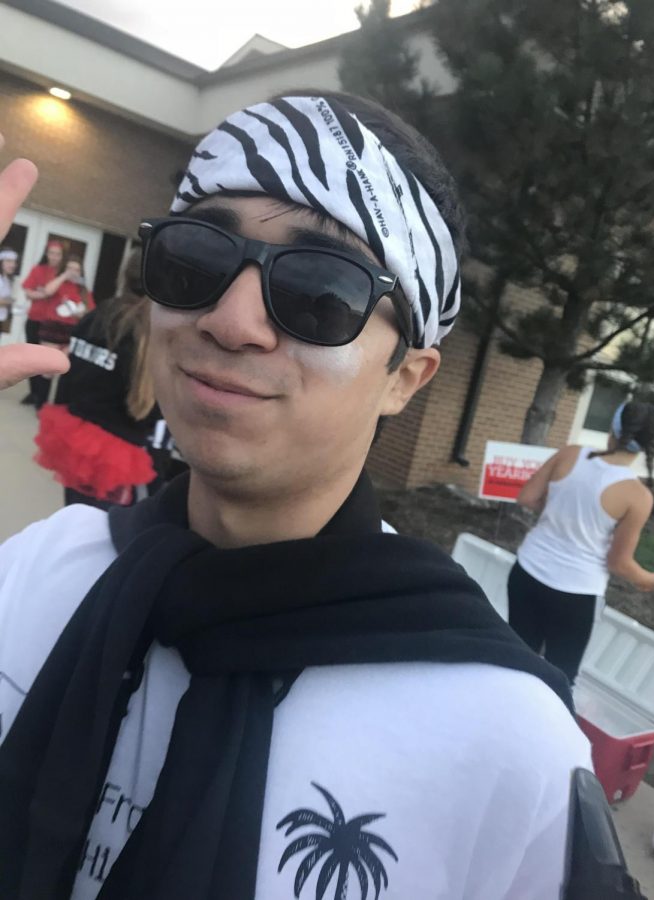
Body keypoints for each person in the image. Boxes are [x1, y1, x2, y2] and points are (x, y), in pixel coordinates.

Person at [0, 95, 596, 900]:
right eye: (196, 257)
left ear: (405, 379)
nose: (232, 319)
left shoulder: (504, 739)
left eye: (320, 291)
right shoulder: (43, 567)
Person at [508, 400, 654, 685]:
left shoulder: (570, 453)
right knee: (560, 676)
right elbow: (618, 563)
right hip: (576, 594)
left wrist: (562, 509)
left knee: (515, 659)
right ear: (652, 444)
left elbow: (526, 497)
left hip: (528, 571)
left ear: (614, 427)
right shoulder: (638, 496)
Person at [34, 249, 159, 510]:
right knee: (102, 534)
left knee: (75, 517)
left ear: (124, 275)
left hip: (75, 433)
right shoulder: (148, 333)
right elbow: (147, 409)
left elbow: (69, 376)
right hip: (117, 451)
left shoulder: (96, 315)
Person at [20, 239, 64, 406]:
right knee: (31, 360)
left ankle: (41, 397)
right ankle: (33, 393)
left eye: (57, 254)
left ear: (61, 256)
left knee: (44, 362)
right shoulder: (37, 270)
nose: (54, 257)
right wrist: (45, 294)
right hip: (34, 320)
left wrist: (41, 292)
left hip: (52, 324)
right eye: (51, 253)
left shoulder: (62, 275)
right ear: (47, 254)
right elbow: (28, 292)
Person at [38, 254, 94, 351]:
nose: (72, 272)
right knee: (48, 358)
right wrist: (64, 276)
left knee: (64, 362)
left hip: (72, 328)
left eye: (76, 270)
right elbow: (47, 291)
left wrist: (81, 314)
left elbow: (90, 312)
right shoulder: (58, 282)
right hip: (53, 327)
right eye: (69, 268)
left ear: (81, 272)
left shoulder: (84, 290)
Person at [0, 246, 17, 339]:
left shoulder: (6, 279)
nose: (13, 265)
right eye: (9, 261)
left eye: (14, 261)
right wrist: (11, 301)